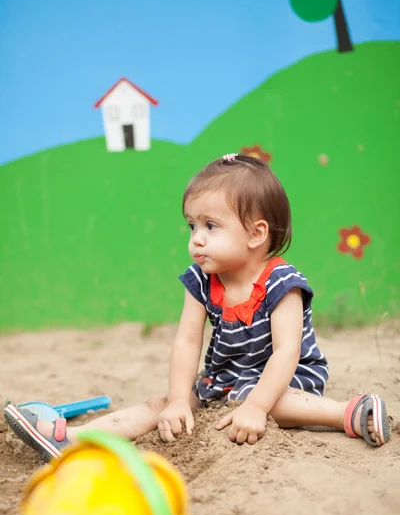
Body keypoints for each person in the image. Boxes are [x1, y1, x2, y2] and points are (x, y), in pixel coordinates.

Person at [4, 154, 391, 461]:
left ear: (257, 233)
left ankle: (349, 413)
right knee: (159, 406)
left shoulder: (281, 282)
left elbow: (287, 352)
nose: (197, 240)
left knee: (280, 405)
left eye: (211, 226)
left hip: (284, 376)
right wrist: (177, 400)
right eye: (192, 226)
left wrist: (256, 407)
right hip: (225, 378)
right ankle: (71, 439)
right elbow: (188, 341)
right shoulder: (203, 279)